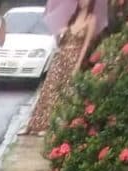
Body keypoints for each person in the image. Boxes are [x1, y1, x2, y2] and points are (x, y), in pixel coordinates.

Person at [27, 0, 106, 134]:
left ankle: (52, 126)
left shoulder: (91, 19)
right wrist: (61, 32)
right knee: (49, 89)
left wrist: (78, 65)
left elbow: (85, 46)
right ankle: (34, 124)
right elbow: (60, 40)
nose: (82, 2)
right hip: (61, 57)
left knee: (66, 93)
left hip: (74, 58)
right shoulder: (71, 17)